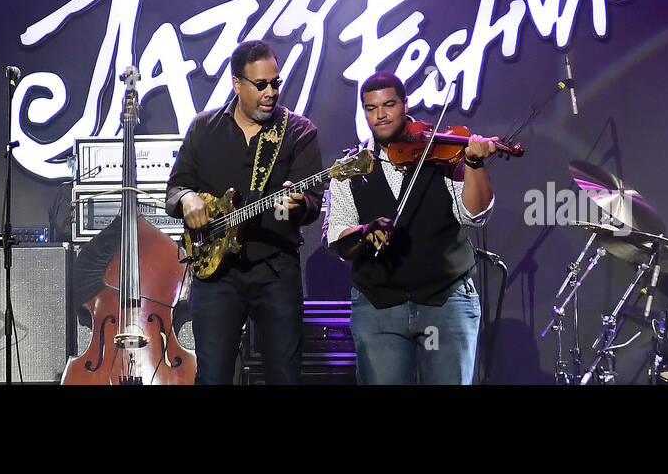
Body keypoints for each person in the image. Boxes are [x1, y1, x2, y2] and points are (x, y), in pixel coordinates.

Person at [325, 71, 501, 384]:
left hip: (445, 300)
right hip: (379, 305)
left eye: (388, 104)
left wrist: (474, 164)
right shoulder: (349, 168)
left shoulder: (440, 152)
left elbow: (474, 215)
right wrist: (365, 232)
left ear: (405, 104)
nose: (380, 115)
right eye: (370, 108)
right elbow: (339, 238)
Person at [165, 39, 322, 384]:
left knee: (284, 375)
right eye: (261, 84)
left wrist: (298, 205)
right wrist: (187, 199)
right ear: (237, 84)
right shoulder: (204, 128)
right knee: (214, 375)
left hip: (276, 269)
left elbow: (312, 201)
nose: (271, 93)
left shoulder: (298, 132)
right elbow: (175, 188)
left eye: (275, 83)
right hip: (216, 274)